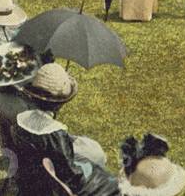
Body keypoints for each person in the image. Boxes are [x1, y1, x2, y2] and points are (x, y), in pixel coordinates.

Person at [12, 64, 120, 196]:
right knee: (115, 184)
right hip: (56, 187)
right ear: (59, 104)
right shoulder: (55, 134)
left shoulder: (21, 120)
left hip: (31, 184)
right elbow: (71, 176)